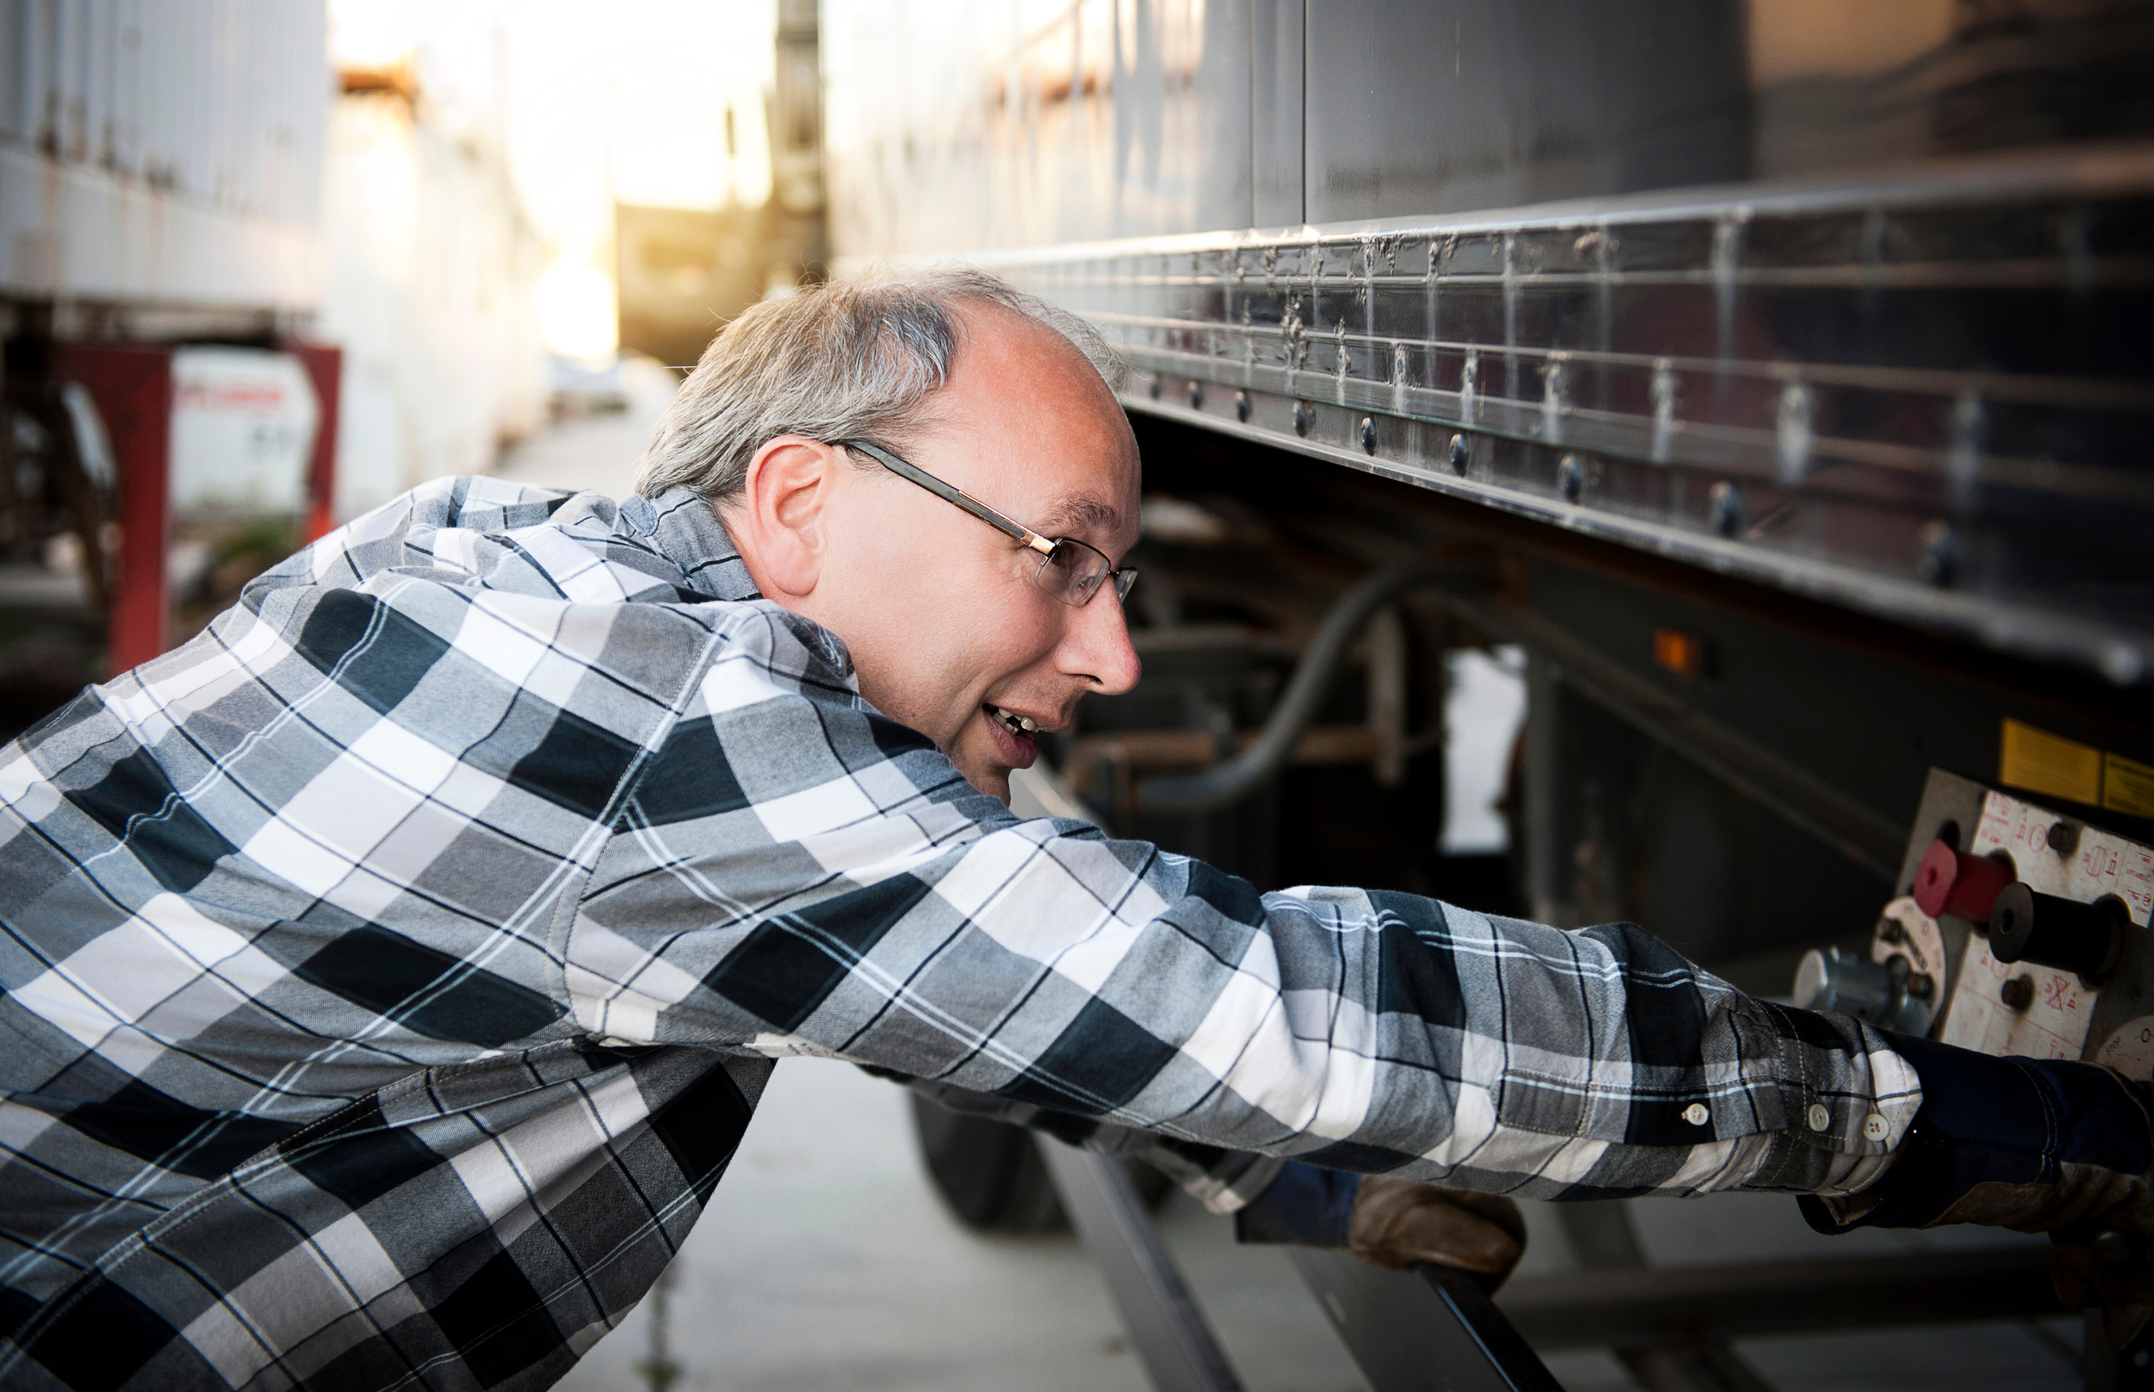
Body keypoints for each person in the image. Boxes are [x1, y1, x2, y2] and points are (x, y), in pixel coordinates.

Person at [1, 268, 2148, 1391]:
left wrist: (1275, 1161)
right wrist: (1904, 1114)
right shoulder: (675, 731)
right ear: (803, 501)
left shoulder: (501, 566)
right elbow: (1257, 999)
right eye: (1068, 556)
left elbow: (964, 957)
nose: (1113, 659)